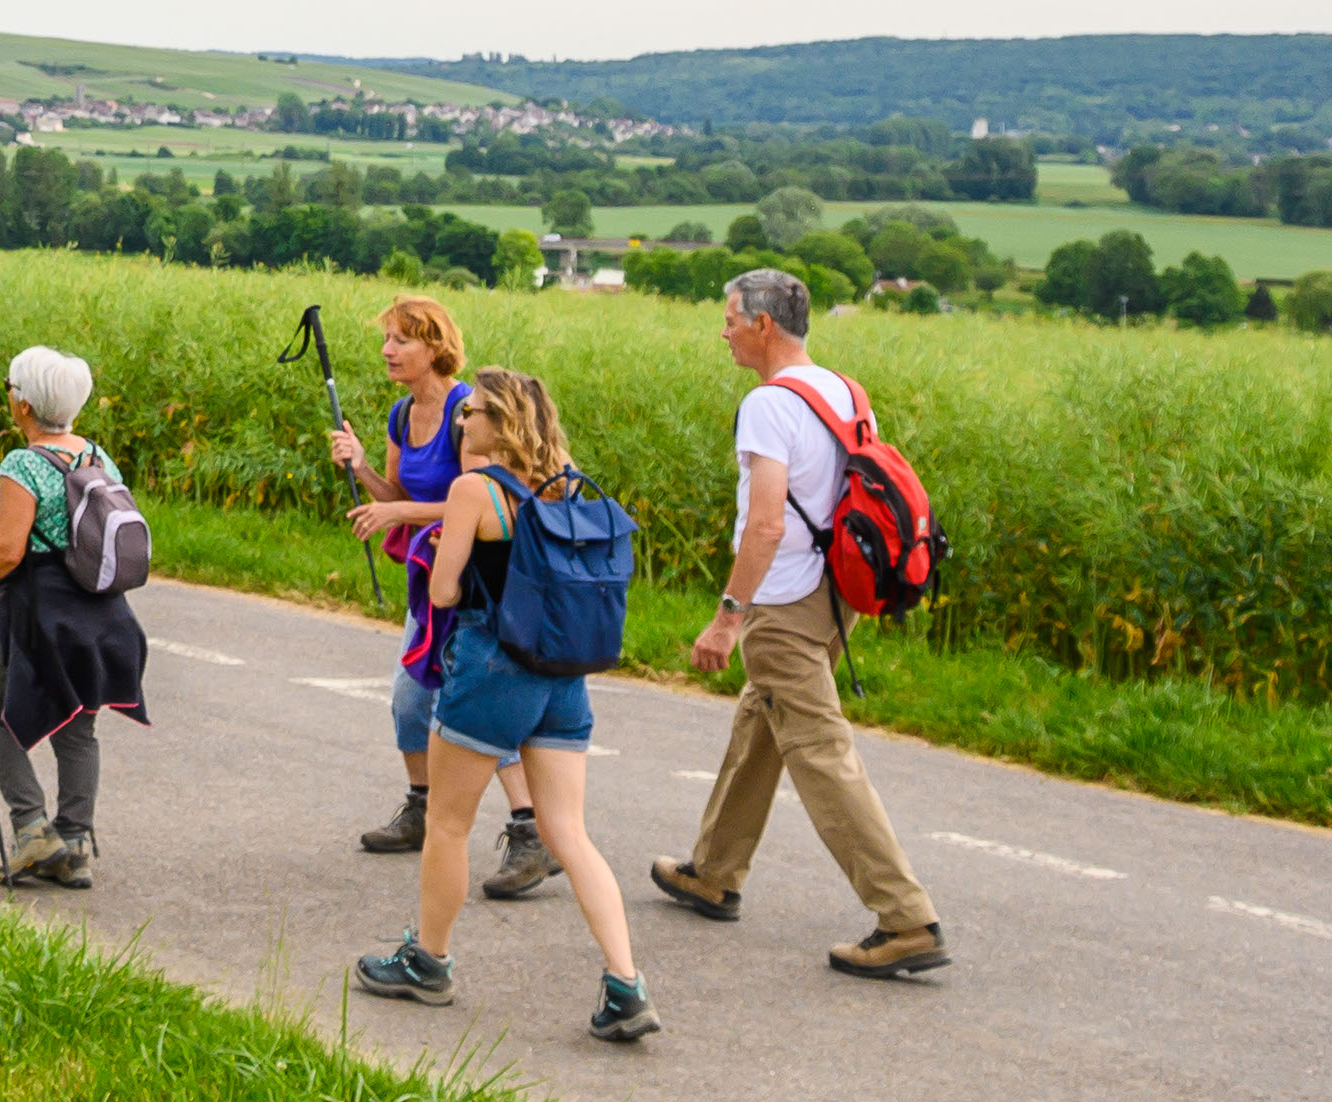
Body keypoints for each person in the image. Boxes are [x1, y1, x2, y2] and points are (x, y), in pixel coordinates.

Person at [650, 269, 949, 978]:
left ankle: (905, 918)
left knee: (818, 749)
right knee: (763, 720)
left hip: (782, 602)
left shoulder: (767, 405)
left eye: (728, 318)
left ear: (762, 325)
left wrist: (728, 617)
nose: (721, 330)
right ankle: (714, 871)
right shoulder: (842, 389)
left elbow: (766, 522)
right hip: (831, 594)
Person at [352, 367, 659, 1043]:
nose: (466, 420)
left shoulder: (476, 490)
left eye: (479, 411)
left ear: (506, 419)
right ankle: (625, 984)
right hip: (562, 674)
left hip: (493, 669)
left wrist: (442, 562)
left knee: (449, 825)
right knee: (570, 834)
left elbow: (443, 592)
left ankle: (428, 962)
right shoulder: (570, 485)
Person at [327, 296, 546, 901]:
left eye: (401, 340)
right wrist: (366, 468)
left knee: (466, 702)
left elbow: (478, 497)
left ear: (434, 346)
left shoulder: (463, 410)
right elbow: (398, 492)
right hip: (428, 579)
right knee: (409, 704)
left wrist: (396, 508)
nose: (387, 351)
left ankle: (530, 832)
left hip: (474, 579)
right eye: (388, 339)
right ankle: (421, 807)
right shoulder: (403, 414)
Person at [0, 345, 148, 885]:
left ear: (23, 405)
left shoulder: (23, 464)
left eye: (11, 388)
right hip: (99, 614)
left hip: (37, 614)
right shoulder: (97, 457)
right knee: (78, 728)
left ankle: (32, 831)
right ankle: (74, 845)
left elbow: (8, 551)